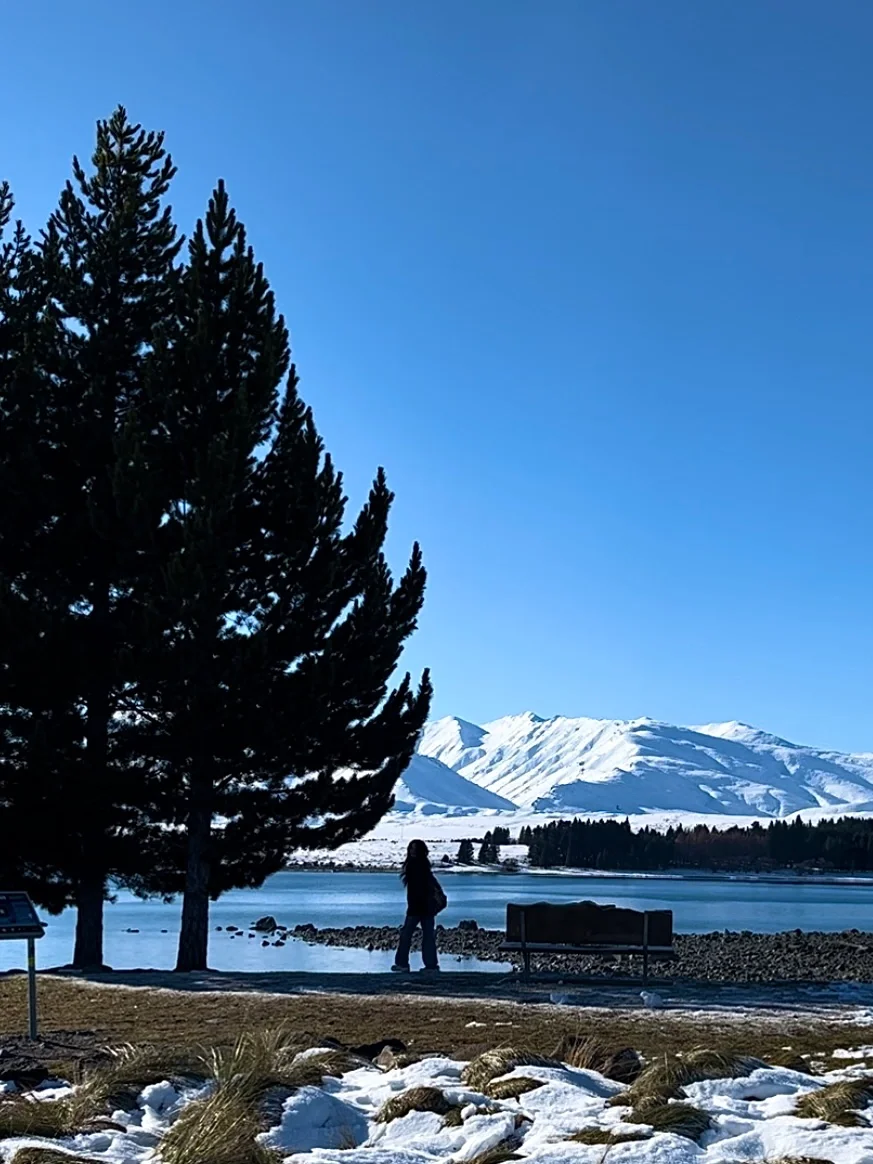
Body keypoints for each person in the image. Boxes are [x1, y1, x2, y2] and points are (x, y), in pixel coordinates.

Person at [392, 839, 443, 974]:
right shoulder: (423, 867)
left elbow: (418, 890)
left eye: (415, 849)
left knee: (407, 936)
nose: (412, 851)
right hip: (424, 908)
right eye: (411, 849)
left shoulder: (415, 867)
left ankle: (403, 964)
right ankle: (431, 966)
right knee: (427, 937)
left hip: (418, 908)